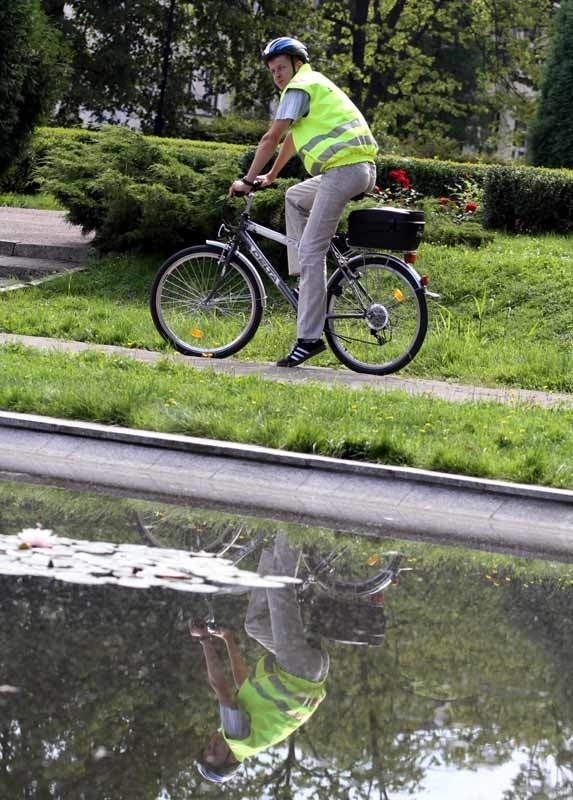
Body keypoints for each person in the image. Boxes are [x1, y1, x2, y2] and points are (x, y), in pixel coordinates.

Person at [228, 36, 378, 368]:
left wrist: (248, 181)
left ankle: (308, 339)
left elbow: (272, 137)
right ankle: (303, 280)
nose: (277, 75)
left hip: (343, 171)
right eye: (272, 70)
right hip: (358, 169)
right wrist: (270, 175)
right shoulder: (313, 85)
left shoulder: (299, 87)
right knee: (294, 197)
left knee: (311, 250)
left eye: (281, 67)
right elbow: (293, 138)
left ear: (297, 64)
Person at [190, 533, 330, 784]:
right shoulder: (237, 740)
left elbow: (243, 683)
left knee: (254, 625)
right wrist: (204, 640)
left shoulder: (245, 737)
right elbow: (221, 688)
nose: (212, 744)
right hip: (297, 669)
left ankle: (273, 546)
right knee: (279, 587)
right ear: (231, 760)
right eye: (215, 752)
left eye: (207, 747)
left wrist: (228, 638)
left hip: (309, 672)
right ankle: (292, 525)